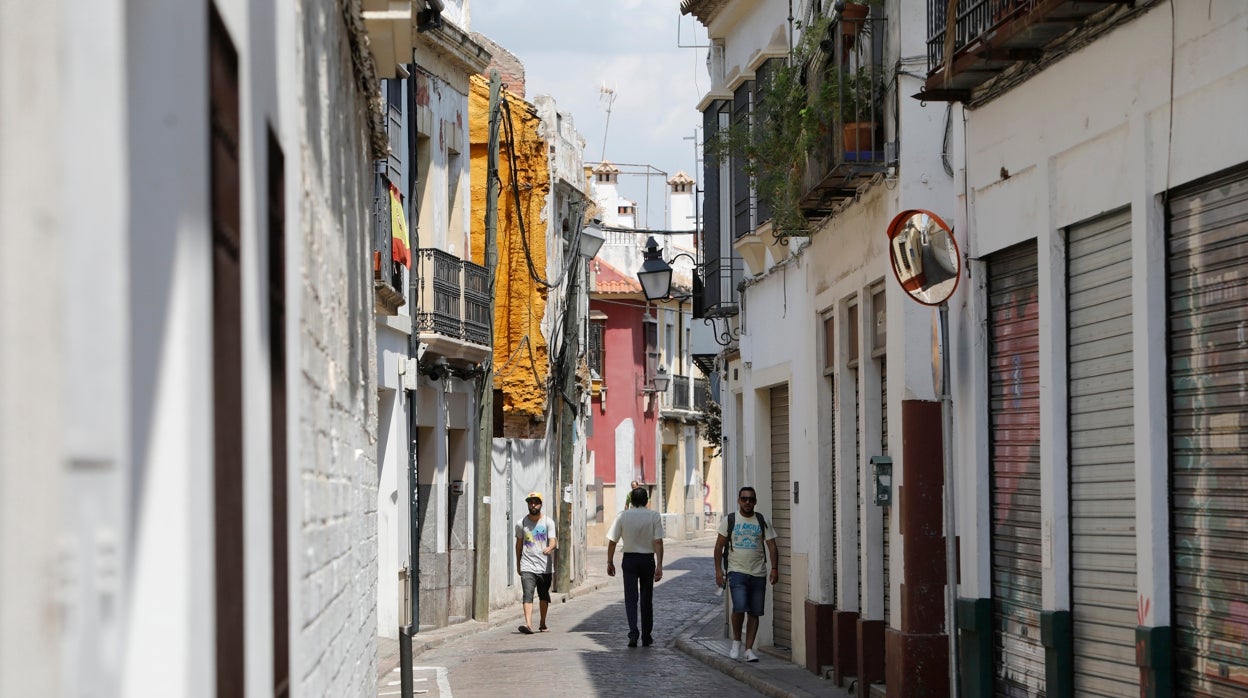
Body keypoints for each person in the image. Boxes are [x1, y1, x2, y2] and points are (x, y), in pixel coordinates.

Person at [713, 486, 779, 662]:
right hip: (737, 571)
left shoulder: (761, 521)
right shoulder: (730, 520)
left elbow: (772, 545)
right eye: (744, 499)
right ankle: (736, 642)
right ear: (739, 500)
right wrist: (719, 571)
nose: (747, 502)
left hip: (758, 573)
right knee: (740, 607)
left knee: (754, 612)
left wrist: (774, 568)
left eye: (751, 499)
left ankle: (749, 649)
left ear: (755, 501)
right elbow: (719, 546)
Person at [606, 487, 665, 647]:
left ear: (631, 500)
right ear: (647, 500)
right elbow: (658, 541)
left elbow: (613, 541)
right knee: (647, 599)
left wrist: (609, 561)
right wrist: (659, 565)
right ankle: (646, 635)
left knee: (631, 598)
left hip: (630, 560)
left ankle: (633, 632)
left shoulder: (623, 516)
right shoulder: (654, 516)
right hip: (647, 560)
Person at [515, 491, 556, 634]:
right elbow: (519, 544)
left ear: (541, 504)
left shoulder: (548, 522)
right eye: (530, 502)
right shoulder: (521, 523)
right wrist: (518, 563)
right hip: (527, 564)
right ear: (527, 504)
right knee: (528, 594)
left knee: (544, 596)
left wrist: (550, 548)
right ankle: (528, 624)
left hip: (544, 566)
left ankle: (542, 623)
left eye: (536, 502)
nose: (533, 504)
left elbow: (553, 540)